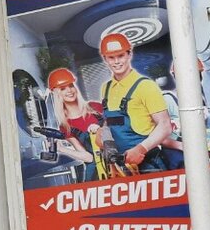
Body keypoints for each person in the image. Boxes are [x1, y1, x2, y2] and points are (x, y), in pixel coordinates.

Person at [97, 33, 173, 171]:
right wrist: (104, 135)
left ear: (129, 54)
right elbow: (110, 121)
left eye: (120, 55)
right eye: (111, 57)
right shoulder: (105, 89)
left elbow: (165, 125)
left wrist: (141, 149)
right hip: (121, 166)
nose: (117, 61)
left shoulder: (146, 86)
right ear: (105, 59)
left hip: (150, 165)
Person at [47, 68, 101, 167]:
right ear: (57, 94)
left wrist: (101, 129)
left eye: (71, 85)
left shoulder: (95, 107)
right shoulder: (65, 126)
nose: (69, 90)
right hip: (100, 168)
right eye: (63, 88)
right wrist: (61, 149)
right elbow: (89, 158)